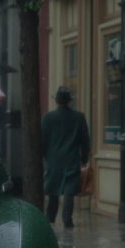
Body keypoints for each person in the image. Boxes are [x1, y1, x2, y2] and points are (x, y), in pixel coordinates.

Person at [41, 86, 90, 228]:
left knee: (53, 190)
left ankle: (50, 217)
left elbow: (42, 142)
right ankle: (67, 219)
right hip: (71, 159)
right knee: (69, 191)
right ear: (69, 101)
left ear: (56, 101)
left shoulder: (48, 118)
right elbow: (85, 141)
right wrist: (84, 158)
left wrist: (46, 157)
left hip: (53, 159)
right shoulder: (79, 118)